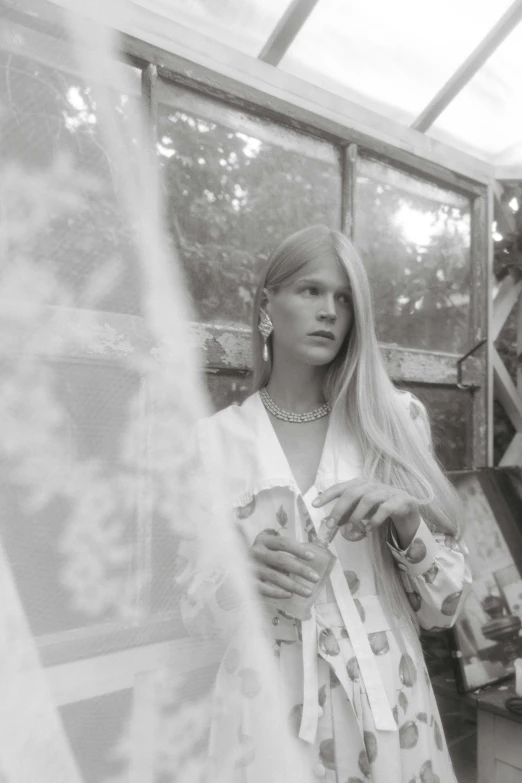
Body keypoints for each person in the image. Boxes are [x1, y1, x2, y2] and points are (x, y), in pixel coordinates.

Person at [178, 225, 472, 782]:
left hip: (390, 701)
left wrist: (408, 521)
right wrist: (243, 577)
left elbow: (446, 608)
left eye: (343, 298)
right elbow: (197, 615)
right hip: (264, 709)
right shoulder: (215, 441)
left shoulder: (392, 419)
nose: (330, 311)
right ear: (267, 302)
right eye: (310, 291)